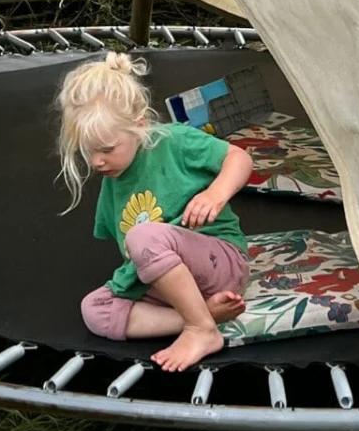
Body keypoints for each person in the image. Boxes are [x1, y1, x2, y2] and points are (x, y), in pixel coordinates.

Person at [59, 49, 254, 373]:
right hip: (176, 289)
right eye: (88, 152)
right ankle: (201, 315)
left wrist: (215, 194)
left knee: (143, 236)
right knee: (94, 309)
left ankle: (201, 330)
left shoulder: (173, 141)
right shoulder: (113, 183)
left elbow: (239, 158)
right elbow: (133, 257)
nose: (96, 162)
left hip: (219, 262)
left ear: (140, 126)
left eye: (107, 149)